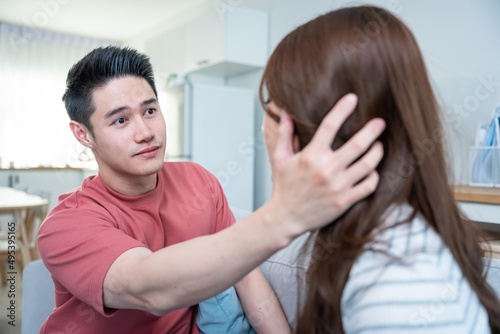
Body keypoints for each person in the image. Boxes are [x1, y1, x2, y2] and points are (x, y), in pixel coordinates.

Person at [36, 46, 385, 333]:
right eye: (121, 120)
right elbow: (148, 288)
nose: (146, 132)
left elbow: (246, 276)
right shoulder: (66, 225)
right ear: (83, 135)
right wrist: (285, 213)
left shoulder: (197, 180)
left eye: (150, 110)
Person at [259, 5, 500, 334]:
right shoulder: (377, 239)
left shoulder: (396, 285)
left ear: (321, 130)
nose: (265, 127)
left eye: (273, 103)